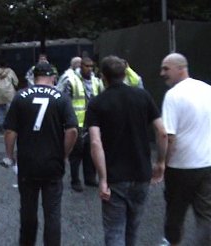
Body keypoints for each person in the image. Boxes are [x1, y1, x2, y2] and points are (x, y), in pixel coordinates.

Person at [86, 55, 167, 246]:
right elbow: (162, 132)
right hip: (141, 174)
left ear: (103, 76)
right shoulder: (143, 96)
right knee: (133, 229)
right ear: (124, 74)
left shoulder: (97, 103)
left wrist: (103, 178)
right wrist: (161, 162)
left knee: (115, 232)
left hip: (115, 177)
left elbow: (95, 143)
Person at [3, 62, 78, 245]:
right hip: (53, 163)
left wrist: (10, 155)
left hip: (27, 163)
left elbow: (10, 131)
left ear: (34, 77)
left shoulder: (20, 97)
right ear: (53, 77)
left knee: (28, 211)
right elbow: (72, 131)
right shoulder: (61, 98)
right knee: (52, 213)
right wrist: (64, 154)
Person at [160, 53, 211, 246]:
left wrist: (163, 164)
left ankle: (172, 243)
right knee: (206, 214)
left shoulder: (173, 96)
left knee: (175, 213)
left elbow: (169, 137)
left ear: (181, 68)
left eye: (166, 68)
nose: (162, 73)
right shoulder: (207, 89)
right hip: (207, 164)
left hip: (181, 166)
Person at [56, 56, 104, 192]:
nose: (89, 69)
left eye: (91, 66)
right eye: (86, 66)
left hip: (92, 123)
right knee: (76, 153)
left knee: (91, 152)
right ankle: (75, 180)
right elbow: (64, 99)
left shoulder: (96, 81)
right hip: (76, 122)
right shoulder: (71, 80)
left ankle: (90, 178)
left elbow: (101, 97)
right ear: (80, 66)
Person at [0, 60, 19, 133]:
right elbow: (16, 81)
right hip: (9, 93)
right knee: (10, 110)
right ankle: (9, 125)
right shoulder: (11, 71)